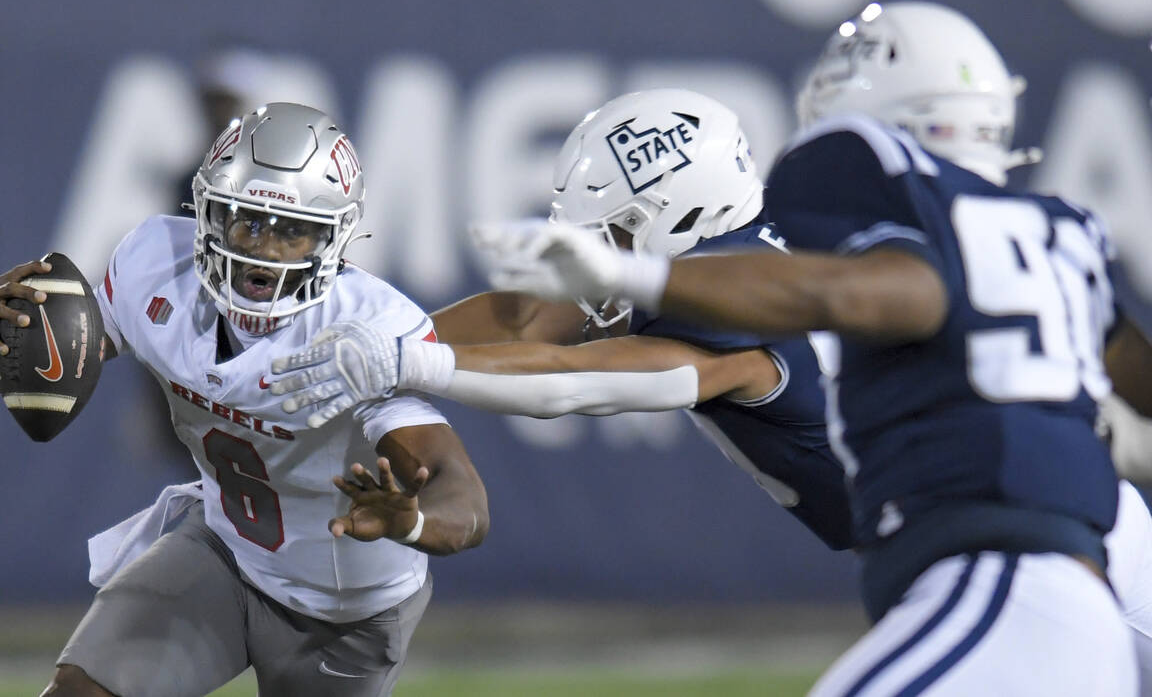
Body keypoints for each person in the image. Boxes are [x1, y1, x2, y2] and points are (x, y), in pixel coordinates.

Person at [476, 2, 1152, 696]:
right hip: (1086, 527)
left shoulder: (763, 288)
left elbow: (571, 373)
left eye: (615, 234)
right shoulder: (1038, 230)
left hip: (1018, 555)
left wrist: (422, 360)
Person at [0, 102, 489, 697]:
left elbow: (463, 497)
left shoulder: (364, 329)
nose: (264, 248)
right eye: (247, 220)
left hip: (347, 611)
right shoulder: (156, 264)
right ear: (208, 211)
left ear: (335, 237)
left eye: (293, 229)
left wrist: (411, 521)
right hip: (226, 554)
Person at [270, 88, 854, 553]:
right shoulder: (762, 229)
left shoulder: (727, 306)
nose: (604, 257)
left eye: (618, 232)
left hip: (935, 528)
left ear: (684, 214)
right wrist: (356, 344)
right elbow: (524, 320)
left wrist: (407, 362)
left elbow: (572, 379)